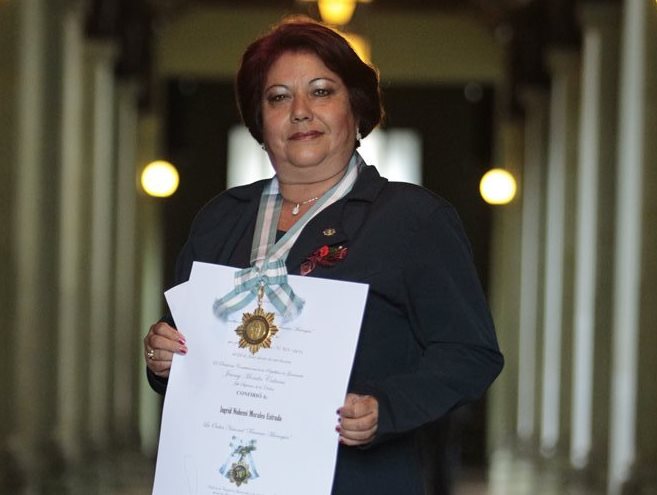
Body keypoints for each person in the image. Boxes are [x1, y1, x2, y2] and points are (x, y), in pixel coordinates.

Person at [143, 16, 503, 495]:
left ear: (355, 109)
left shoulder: (413, 219)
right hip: (225, 478)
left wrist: (386, 409)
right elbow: (191, 362)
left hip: (357, 480)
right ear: (259, 120)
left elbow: (471, 353)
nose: (299, 112)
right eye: (277, 97)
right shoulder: (221, 220)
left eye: (321, 91)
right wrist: (163, 358)